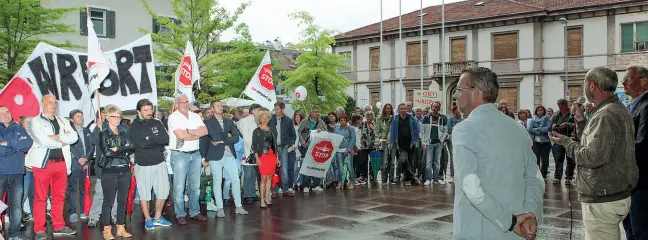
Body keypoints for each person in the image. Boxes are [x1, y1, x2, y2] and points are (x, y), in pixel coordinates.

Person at [452, 67, 543, 239]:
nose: (456, 95)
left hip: (479, 231)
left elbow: (471, 186)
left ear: (475, 93)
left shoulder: (464, 129)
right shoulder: (518, 128)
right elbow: (535, 178)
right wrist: (531, 213)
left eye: (459, 89)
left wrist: (509, 221)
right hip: (518, 231)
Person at [549, 67, 638, 240]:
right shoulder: (614, 108)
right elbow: (597, 144)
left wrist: (566, 142)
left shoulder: (606, 114)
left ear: (592, 86)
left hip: (602, 196)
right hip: (612, 192)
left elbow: (592, 157)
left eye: (585, 83)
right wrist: (581, 121)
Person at [26, 95, 78, 240]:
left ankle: (59, 226)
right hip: (43, 164)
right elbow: (43, 141)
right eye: (49, 102)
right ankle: (39, 229)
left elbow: (74, 137)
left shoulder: (63, 120)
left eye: (55, 102)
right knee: (40, 198)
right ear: (42, 103)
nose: (52, 104)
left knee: (59, 197)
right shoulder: (35, 121)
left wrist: (56, 137)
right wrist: (62, 139)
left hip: (61, 163)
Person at [129, 99, 172, 230]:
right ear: (139, 111)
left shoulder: (156, 122)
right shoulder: (134, 125)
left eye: (150, 109)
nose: (149, 112)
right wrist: (154, 139)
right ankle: (148, 219)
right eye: (145, 110)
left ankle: (158, 217)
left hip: (159, 162)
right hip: (143, 164)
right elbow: (140, 143)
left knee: (163, 191)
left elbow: (165, 139)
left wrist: (150, 139)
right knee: (145, 193)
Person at [200, 100, 248, 217]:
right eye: (217, 106)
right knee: (217, 180)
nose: (220, 107)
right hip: (215, 155)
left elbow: (237, 137)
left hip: (229, 155)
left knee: (235, 179)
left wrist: (222, 140)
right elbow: (212, 137)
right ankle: (220, 207)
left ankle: (239, 206)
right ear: (212, 109)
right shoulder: (207, 122)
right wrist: (205, 157)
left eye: (221, 105)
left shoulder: (229, 121)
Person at [168, 95, 208, 224]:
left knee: (195, 186)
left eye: (186, 102)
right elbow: (180, 135)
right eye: (182, 102)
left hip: (196, 154)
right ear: (177, 104)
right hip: (180, 155)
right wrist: (195, 133)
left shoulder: (195, 116)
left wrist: (188, 132)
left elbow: (205, 131)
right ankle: (180, 214)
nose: (185, 104)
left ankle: (194, 211)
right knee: (179, 187)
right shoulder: (173, 117)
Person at [97, 105, 135, 239]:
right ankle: (107, 229)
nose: (117, 119)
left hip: (124, 169)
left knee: (122, 201)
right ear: (107, 117)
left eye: (119, 116)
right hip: (109, 170)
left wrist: (116, 149)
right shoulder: (103, 133)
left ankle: (120, 227)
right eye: (114, 116)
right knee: (108, 201)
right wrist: (122, 149)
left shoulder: (124, 132)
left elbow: (131, 147)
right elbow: (106, 152)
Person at [622, 65, 648, 240]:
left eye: (629, 79)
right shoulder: (633, 105)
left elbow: (642, 145)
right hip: (632, 181)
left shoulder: (646, 106)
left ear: (644, 81)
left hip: (641, 181)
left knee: (640, 230)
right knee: (631, 228)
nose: (623, 83)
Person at [0, 106, 32, 240]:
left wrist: (6, 143)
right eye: (1, 113)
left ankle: (15, 234)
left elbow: (27, 143)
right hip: (1, 172)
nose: (6, 115)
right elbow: (3, 151)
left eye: (7, 112)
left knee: (16, 206)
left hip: (17, 173)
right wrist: (15, 145)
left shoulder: (18, 127)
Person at [87, 109, 118, 228]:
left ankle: (114, 215)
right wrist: (97, 128)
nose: (105, 115)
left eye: (108, 113)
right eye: (104, 113)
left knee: (115, 193)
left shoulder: (120, 127)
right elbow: (92, 141)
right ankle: (93, 217)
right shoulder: (99, 127)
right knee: (100, 193)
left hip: (116, 166)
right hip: (103, 167)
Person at [67, 109, 92, 223]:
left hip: (85, 164)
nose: (80, 118)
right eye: (77, 116)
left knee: (84, 188)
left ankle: (82, 210)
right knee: (72, 189)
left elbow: (92, 146)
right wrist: (79, 159)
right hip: (74, 164)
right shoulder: (68, 131)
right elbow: (69, 146)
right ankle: (72, 212)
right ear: (72, 119)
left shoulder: (86, 131)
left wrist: (86, 159)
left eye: (81, 116)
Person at [251, 110, 279, 208]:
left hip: (272, 156)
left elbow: (275, 145)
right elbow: (254, 146)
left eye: (267, 118)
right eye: (263, 118)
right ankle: (262, 199)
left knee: (270, 178)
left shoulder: (271, 130)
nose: (265, 119)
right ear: (260, 119)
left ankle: (267, 197)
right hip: (262, 156)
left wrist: (277, 158)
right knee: (263, 178)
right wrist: (257, 158)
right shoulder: (256, 131)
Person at [296, 106, 327, 192]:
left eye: (318, 112)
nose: (316, 113)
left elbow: (326, 132)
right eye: (315, 112)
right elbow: (299, 131)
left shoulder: (321, 122)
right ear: (311, 112)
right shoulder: (305, 121)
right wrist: (302, 141)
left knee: (316, 166)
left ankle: (316, 185)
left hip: (317, 147)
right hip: (307, 146)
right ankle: (306, 185)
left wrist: (321, 131)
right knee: (307, 166)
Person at [269, 102, 296, 197]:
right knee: (273, 169)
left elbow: (293, 135)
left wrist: (289, 145)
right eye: (274, 109)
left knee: (284, 170)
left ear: (282, 109)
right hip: (273, 147)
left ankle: (285, 190)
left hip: (284, 147)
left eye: (277, 109)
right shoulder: (271, 119)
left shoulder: (288, 121)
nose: (275, 111)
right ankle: (274, 190)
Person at [389, 103, 420, 186]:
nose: (403, 110)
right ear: (398, 110)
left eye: (404, 108)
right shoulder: (395, 119)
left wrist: (414, 140)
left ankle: (408, 179)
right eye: (401, 109)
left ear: (407, 109)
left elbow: (417, 129)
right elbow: (392, 132)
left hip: (410, 144)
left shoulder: (411, 118)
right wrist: (391, 142)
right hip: (401, 144)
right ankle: (399, 176)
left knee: (410, 162)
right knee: (403, 159)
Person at [238, 104, 262, 203]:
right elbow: (246, 137)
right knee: (247, 174)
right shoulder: (246, 121)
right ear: (253, 111)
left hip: (255, 152)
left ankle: (252, 193)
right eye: (258, 110)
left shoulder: (258, 121)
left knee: (253, 174)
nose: (260, 112)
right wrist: (255, 147)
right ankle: (247, 195)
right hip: (248, 151)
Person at [422, 101, 448, 185]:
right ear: (431, 107)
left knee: (437, 162)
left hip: (438, 143)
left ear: (439, 108)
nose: (435, 108)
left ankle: (436, 178)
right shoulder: (426, 117)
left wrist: (442, 139)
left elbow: (445, 130)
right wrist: (423, 142)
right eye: (433, 106)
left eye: (436, 107)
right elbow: (422, 131)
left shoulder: (443, 118)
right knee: (428, 162)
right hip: (429, 143)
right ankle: (428, 178)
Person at [551, 99, 576, 185]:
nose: (561, 109)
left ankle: (568, 178)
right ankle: (557, 177)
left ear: (566, 105)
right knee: (558, 159)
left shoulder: (573, 113)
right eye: (559, 107)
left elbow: (578, 124)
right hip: (559, 140)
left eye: (562, 107)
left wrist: (568, 125)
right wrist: (554, 126)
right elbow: (551, 124)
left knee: (570, 160)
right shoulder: (556, 114)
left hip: (570, 139)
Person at [527, 105, 552, 180]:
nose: (539, 112)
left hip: (545, 142)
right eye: (538, 110)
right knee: (536, 159)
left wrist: (537, 129)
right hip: (536, 142)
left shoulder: (548, 118)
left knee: (545, 159)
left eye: (541, 110)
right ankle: (537, 175)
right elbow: (530, 129)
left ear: (544, 111)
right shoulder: (533, 119)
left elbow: (547, 129)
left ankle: (543, 175)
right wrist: (540, 132)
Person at [334, 114, 356, 190]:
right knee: (340, 167)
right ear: (339, 121)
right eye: (341, 120)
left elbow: (353, 139)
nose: (343, 122)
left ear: (346, 121)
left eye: (344, 120)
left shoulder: (351, 128)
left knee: (350, 167)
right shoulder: (336, 129)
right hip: (339, 151)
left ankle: (352, 181)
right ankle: (340, 182)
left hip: (348, 151)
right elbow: (334, 139)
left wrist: (348, 149)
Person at [20, 116, 35, 222]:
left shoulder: (38, 136)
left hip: (37, 168)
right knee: (23, 193)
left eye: (31, 122)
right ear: (22, 124)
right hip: (24, 169)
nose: (29, 124)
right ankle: (18, 216)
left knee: (36, 193)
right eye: (27, 122)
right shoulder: (19, 136)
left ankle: (36, 214)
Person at [375, 103, 394, 184]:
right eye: (387, 108)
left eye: (389, 108)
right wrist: (378, 141)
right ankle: (383, 179)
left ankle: (391, 179)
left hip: (393, 142)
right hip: (384, 142)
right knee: (384, 162)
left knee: (393, 162)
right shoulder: (379, 118)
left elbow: (393, 130)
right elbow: (377, 131)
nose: (388, 110)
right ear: (384, 109)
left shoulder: (394, 118)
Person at [446, 106, 464, 183]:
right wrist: (458, 129)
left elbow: (465, 130)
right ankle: (452, 176)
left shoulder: (463, 120)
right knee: (453, 158)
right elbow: (449, 129)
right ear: (454, 112)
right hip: (452, 141)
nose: (459, 112)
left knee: (461, 159)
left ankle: (459, 175)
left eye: (460, 110)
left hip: (461, 141)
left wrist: (456, 128)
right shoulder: (450, 120)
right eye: (457, 110)